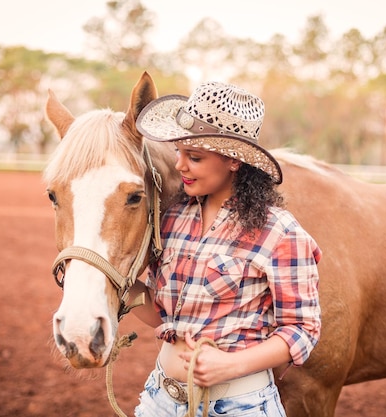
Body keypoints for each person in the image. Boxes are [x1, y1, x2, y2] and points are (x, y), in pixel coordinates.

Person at [130, 81, 322, 417]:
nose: (179, 165)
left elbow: (303, 329)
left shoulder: (279, 232)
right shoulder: (173, 218)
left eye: (195, 157)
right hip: (159, 399)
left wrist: (231, 365)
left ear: (234, 161)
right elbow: (163, 312)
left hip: (238, 406)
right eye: (179, 151)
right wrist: (114, 283)